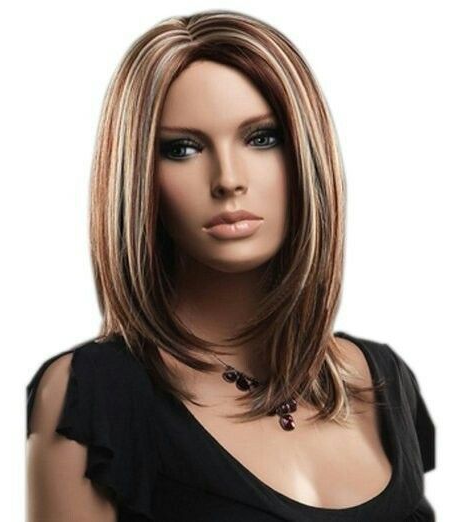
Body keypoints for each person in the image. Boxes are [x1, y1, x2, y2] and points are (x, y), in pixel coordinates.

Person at [26, 9, 436, 521]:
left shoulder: (383, 382)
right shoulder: (93, 397)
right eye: (182, 148)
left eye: (261, 138)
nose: (228, 179)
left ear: (307, 153)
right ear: (139, 175)